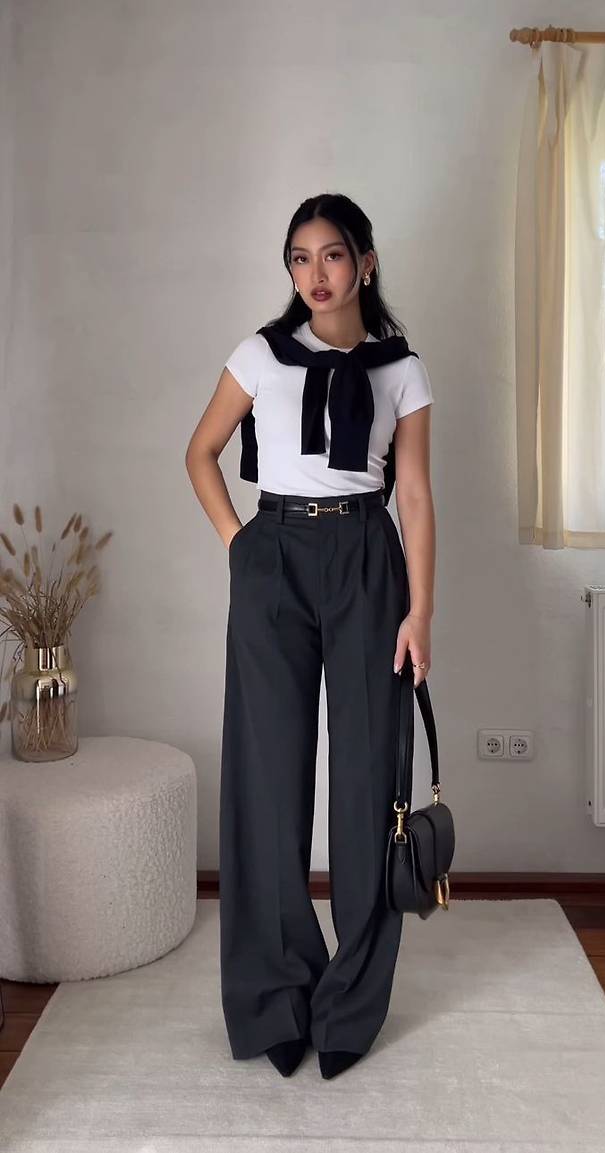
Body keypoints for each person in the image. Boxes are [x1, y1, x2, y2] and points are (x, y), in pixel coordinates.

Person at [185, 192, 435, 1081]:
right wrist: (242, 546)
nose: (315, 274)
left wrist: (421, 611)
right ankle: (275, 996)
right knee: (268, 782)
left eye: (332, 255)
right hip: (276, 556)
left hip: (368, 559)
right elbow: (200, 452)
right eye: (299, 257)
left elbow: (415, 495)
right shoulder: (262, 353)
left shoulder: (401, 369)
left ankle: (350, 1004)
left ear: (365, 262)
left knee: (369, 784)